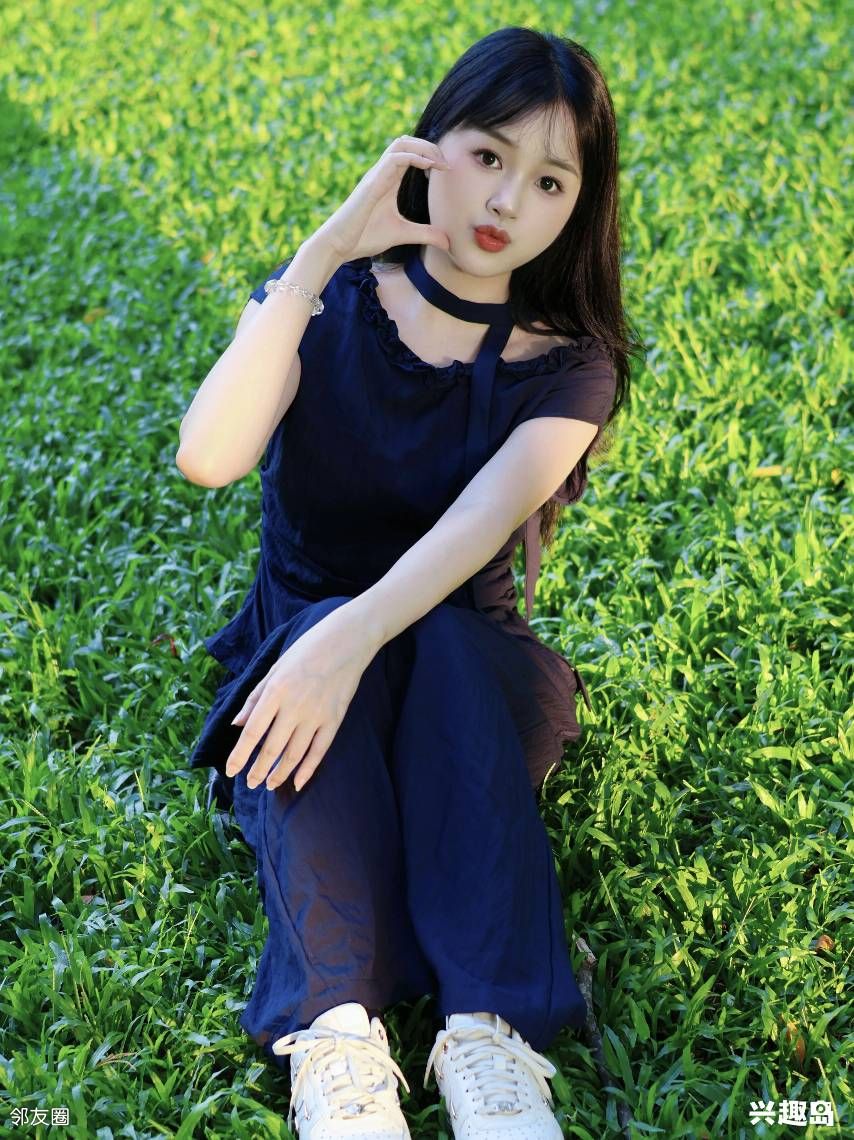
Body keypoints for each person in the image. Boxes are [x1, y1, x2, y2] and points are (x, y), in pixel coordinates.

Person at [177, 24, 642, 1140]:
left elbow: (473, 531)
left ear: (577, 207)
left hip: (462, 666)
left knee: (411, 649)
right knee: (321, 723)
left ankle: (489, 1038)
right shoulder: (331, 299)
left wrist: (340, 644)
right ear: (429, 147)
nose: (506, 202)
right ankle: (337, 1038)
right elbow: (209, 456)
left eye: (548, 182)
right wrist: (325, 248)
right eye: (486, 156)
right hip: (301, 646)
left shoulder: (569, 363)